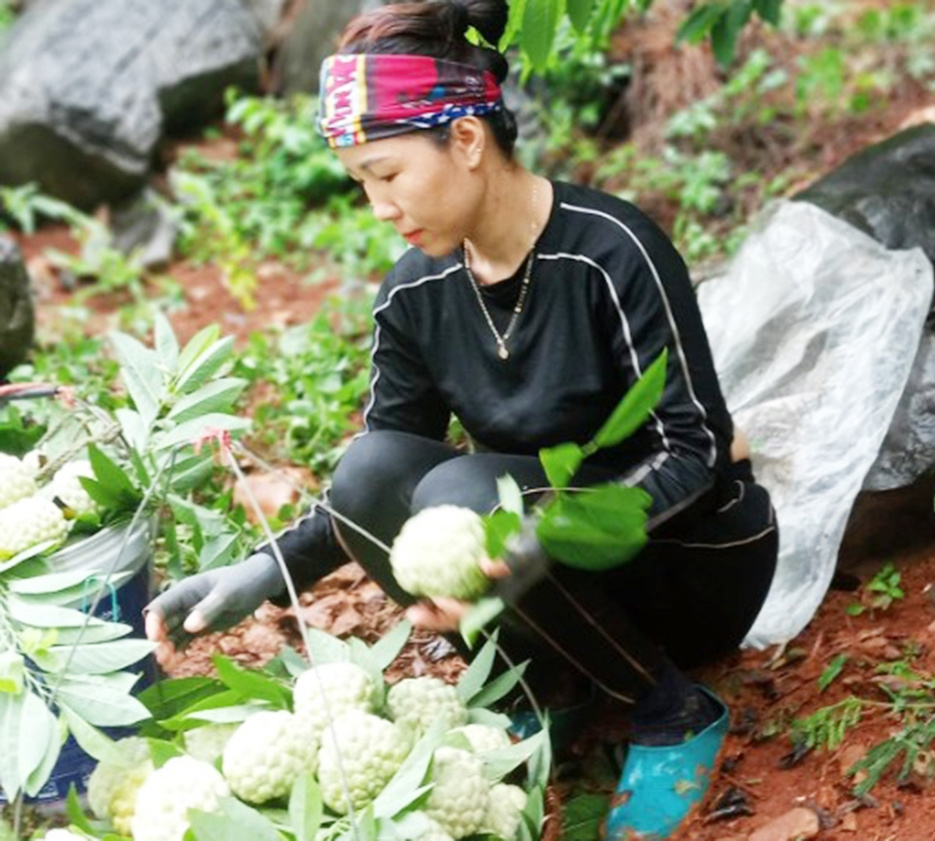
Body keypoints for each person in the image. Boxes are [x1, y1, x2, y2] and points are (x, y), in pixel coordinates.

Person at [144, 2, 778, 837]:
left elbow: (695, 452)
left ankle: (671, 709)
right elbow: (378, 475)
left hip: (689, 563)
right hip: (534, 566)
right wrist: (267, 570)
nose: (378, 205)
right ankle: (553, 690)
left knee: (470, 490)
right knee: (377, 468)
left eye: (388, 173)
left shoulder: (611, 252)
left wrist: (542, 536)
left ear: (468, 142)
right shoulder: (416, 290)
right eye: (360, 182)